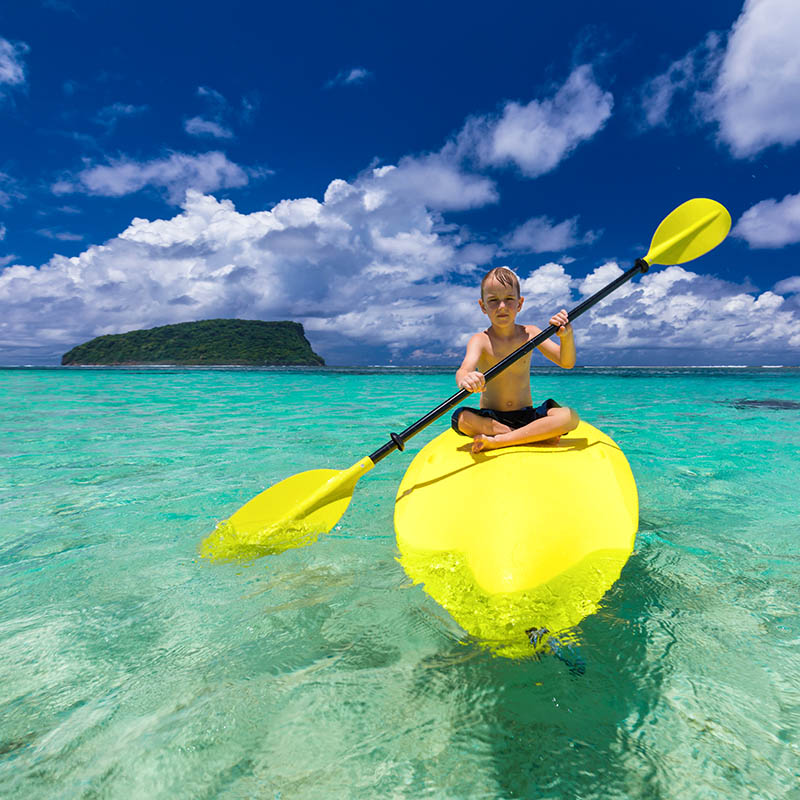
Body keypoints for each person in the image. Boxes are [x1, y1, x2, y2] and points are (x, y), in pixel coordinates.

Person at [452, 266, 580, 454]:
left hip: (527, 414)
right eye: (493, 301)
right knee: (461, 419)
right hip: (492, 419)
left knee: (570, 417)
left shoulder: (531, 333)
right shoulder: (480, 340)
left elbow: (566, 362)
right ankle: (529, 435)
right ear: (483, 306)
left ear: (519, 304)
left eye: (509, 299)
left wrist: (566, 336)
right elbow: (464, 369)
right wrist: (466, 379)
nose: (502, 306)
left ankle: (503, 440)